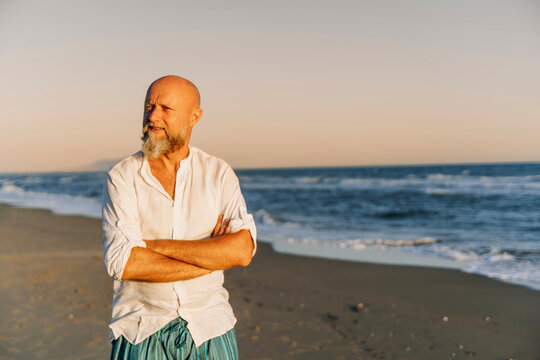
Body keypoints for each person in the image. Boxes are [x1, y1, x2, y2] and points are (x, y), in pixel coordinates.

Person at [101, 75, 257, 359]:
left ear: (194, 117)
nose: (153, 116)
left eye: (165, 108)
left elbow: (242, 250)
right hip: (141, 330)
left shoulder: (219, 173)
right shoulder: (122, 176)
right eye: (149, 106)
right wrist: (212, 257)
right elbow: (123, 262)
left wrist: (151, 246)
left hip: (211, 327)